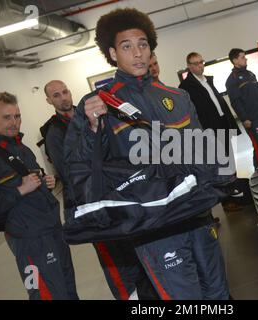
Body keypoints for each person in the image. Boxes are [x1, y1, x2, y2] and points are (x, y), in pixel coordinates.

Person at [64, 8, 230, 300]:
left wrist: (216, 187)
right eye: (127, 47)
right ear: (113, 54)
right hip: (154, 228)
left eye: (142, 45)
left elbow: (202, 150)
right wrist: (91, 128)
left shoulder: (178, 97)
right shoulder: (98, 105)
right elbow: (78, 165)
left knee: (217, 294)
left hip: (198, 216)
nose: (137, 53)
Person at [42, 80, 156, 300]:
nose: (63, 97)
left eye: (65, 91)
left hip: (115, 193)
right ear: (49, 101)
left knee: (132, 248)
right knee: (114, 258)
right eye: (56, 95)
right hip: (92, 204)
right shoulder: (54, 134)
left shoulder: (88, 114)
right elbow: (71, 174)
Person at [0, 92, 78, 300]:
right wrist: (20, 190)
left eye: (17, 116)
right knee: (45, 294)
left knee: (68, 289)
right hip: (29, 240)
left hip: (52, 230)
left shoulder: (21, 148)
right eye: (7, 117)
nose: (14, 122)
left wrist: (46, 183)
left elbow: (31, 182)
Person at [179, 52, 242, 212]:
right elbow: (193, 114)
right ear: (189, 66)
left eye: (201, 62)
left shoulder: (208, 80)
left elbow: (218, 104)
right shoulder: (186, 87)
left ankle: (236, 191)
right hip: (210, 130)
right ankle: (226, 201)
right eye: (195, 63)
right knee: (220, 166)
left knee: (230, 160)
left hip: (222, 124)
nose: (200, 65)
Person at [226, 48, 258, 168]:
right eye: (242, 57)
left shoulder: (250, 74)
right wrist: (244, 118)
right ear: (235, 60)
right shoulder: (232, 80)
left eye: (245, 57)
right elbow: (235, 102)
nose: (245, 59)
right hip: (252, 120)